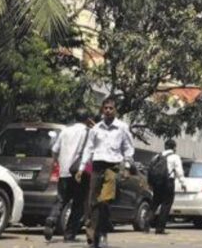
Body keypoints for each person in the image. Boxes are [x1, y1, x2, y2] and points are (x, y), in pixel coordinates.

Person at [75, 98, 134, 248]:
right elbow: (88, 148)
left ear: (115, 110)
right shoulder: (96, 128)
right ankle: (92, 235)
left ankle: (102, 233)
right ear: (102, 109)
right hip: (97, 166)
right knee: (93, 203)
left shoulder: (122, 127)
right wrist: (81, 168)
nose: (108, 110)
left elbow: (128, 148)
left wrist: (127, 167)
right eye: (105, 108)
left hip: (112, 167)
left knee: (104, 201)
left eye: (111, 108)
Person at [43, 110, 92, 242]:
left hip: (64, 172)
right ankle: (69, 235)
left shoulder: (65, 131)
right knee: (78, 204)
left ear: (75, 118)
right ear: (87, 119)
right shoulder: (88, 132)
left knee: (61, 199)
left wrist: (58, 162)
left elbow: (54, 150)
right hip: (79, 172)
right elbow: (89, 153)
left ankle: (51, 219)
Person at [149, 139, 186, 234]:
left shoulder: (157, 156)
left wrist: (151, 184)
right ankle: (160, 228)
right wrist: (183, 183)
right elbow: (179, 171)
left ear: (165, 146)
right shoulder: (175, 157)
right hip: (168, 182)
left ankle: (145, 225)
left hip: (157, 183)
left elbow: (150, 169)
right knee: (166, 205)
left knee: (155, 203)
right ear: (174, 147)